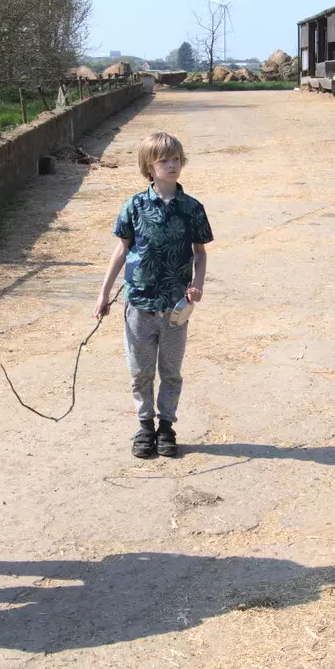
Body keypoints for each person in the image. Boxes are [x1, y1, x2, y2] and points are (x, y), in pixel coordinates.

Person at [94, 131, 213, 459]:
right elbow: (121, 251)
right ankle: (145, 425)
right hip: (139, 306)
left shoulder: (192, 208)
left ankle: (167, 427)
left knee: (171, 370)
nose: (172, 165)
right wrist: (103, 293)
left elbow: (200, 253)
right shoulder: (133, 206)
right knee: (140, 370)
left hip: (177, 307)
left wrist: (198, 284)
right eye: (164, 160)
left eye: (176, 158)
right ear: (149, 166)